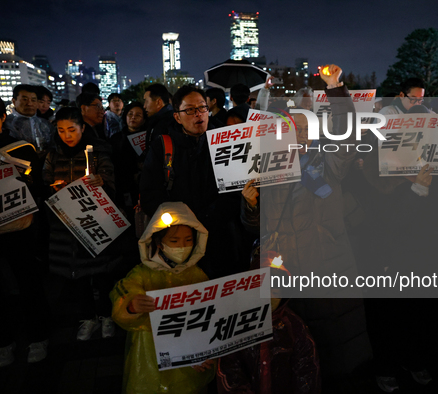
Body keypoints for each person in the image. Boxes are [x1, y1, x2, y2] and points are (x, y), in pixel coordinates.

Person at [240, 64, 371, 391]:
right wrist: (251, 202)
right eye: (290, 128)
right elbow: (251, 224)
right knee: (296, 349)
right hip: (285, 272)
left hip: (330, 265)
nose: (297, 133)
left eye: (304, 127)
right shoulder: (265, 169)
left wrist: (335, 87)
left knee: (339, 349)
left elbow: (348, 131)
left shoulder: (328, 160)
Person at [0, 90, 51, 366]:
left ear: (3, 117)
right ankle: (3, 342)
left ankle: (38, 337)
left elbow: (38, 187)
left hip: (19, 228)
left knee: (28, 282)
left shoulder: (21, 148)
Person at [140, 84, 252, 279]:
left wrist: (208, 218)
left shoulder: (227, 142)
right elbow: (149, 192)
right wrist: (181, 223)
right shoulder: (163, 145)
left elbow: (235, 191)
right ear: (177, 116)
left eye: (202, 108)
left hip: (221, 237)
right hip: (179, 239)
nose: (198, 114)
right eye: (190, 110)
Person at [110, 202, 215, 394]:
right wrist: (131, 305)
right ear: (159, 243)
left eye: (188, 240)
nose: (182, 247)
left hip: (189, 363)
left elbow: (210, 317)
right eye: (174, 241)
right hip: (149, 359)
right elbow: (122, 291)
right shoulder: (142, 273)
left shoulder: (198, 274)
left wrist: (204, 353)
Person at [43, 106, 118, 341]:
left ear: (82, 128)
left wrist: (101, 181)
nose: (67, 135)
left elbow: (111, 183)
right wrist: (53, 189)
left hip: (93, 222)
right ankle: (88, 317)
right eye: (62, 130)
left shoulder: (97, 153)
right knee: (78, 275)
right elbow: (43, 184)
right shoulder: (52, 154)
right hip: (65, 225)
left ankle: (107, 316)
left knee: (103, 273)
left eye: (72, 129)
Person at [217, 248, 321, 394]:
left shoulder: (294, 326)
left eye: (276, 290)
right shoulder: (237, 324)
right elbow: (230, 368)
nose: (270, 295)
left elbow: (307, 370)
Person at [110, 102, 147, 223]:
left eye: (138, 115)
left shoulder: (150, 138)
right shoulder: (116, 139)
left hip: (143, 188)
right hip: (123, 188)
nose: (133, 117)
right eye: (130, 114)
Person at [6, 84, 53, 157]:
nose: (29, 103)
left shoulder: (46, 124)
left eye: (33, 100)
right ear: (14, 101)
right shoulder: (6, 124)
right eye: (25, 99)